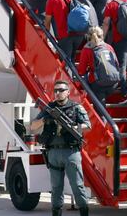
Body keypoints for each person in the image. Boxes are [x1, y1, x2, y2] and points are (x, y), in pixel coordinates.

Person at [30, 80, 91, 216]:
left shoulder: (76, 107)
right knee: (56, 188)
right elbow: (33, 126)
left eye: (61, 90)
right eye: (56, 90)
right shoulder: (49, 109)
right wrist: (45, 120)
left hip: (71, 152)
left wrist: (73, 127)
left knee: (77, 186)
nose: (58, 93)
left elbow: (88, 125)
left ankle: (84, 211)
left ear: (68, 92)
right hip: (53, 152)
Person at [45, 0, 85, 64]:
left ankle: (68, 76)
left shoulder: (52, 0)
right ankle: (73, 75)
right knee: (72, 59)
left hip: (65, 35)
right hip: (79, 33)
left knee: (65, 63)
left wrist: (46, 37)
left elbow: (47, 21)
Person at [77, 26, 119, 106]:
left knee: (100, 109)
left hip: (98, 84)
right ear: (102, 36)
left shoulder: (87, 49)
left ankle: (102, 116)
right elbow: (117, 64)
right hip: (113, 83)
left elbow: (81, 70)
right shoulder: (108, 47)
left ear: (88, 36)